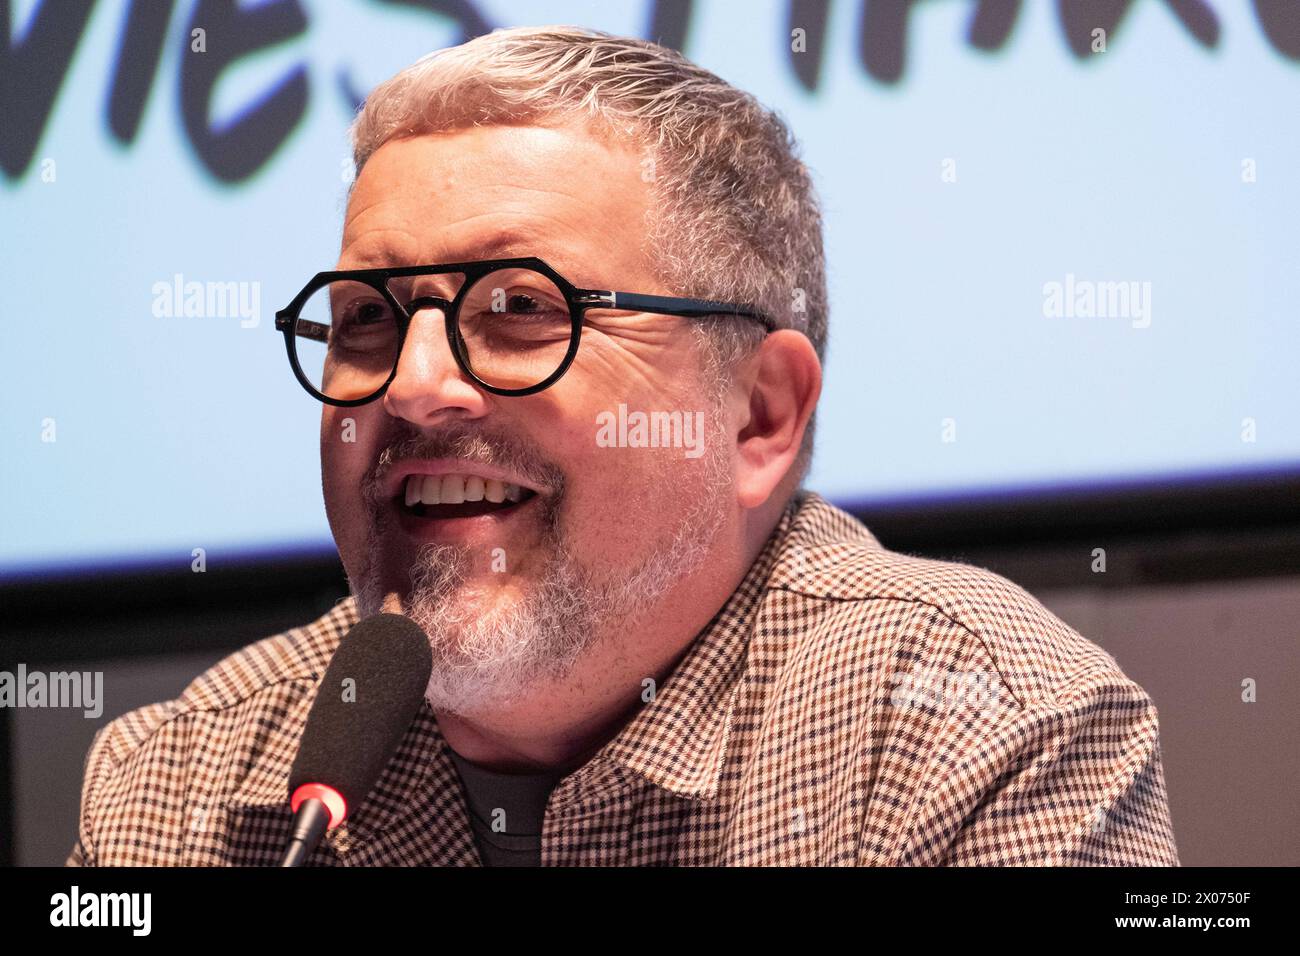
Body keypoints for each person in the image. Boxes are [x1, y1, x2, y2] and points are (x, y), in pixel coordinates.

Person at [68, 26, 1177, 866]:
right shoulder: (180, 788)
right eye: (365, 318)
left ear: (759, 416)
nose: (411, 386)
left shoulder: (980, 733)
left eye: (514, 306)